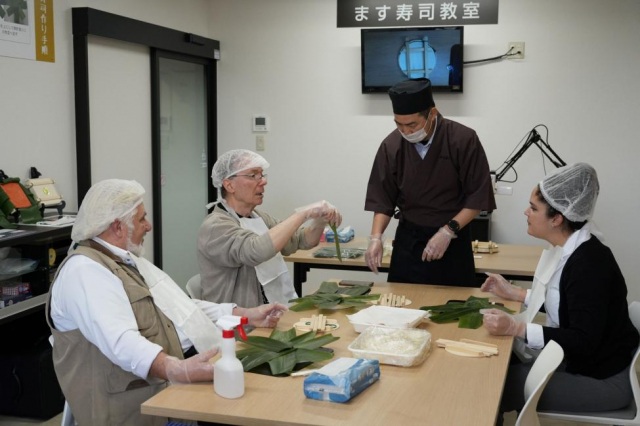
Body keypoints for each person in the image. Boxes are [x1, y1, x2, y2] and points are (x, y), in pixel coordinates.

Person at [46, 179, 287, 426]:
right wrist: (175, 369)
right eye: (141, 219)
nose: (149, 226)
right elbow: (120, 341)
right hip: (140, 407)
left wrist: (245, 315)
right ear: (118, 227)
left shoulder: (125, 260)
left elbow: (180, 306)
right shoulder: (85, 271)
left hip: (171, 387)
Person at [480, 163, 639, 417]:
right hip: (587, 363)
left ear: (557, 218)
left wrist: (516, 328)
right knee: (498, 368)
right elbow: (569, 304)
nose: (525, 212)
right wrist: (516, 294)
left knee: (494, 385)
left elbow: (583, 340)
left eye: (533, 208)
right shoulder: (573, 251)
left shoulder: (589, 264)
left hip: (602, 379)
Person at [364, 78, 496, 286]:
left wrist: (447, 231)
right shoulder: (391, 146)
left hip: (452, 240)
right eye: (399, 124)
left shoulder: (462, 139)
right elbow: (383, 199)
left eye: (412, 125)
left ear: (432, 114)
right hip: (409, 240)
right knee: (402, 305)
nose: (406, 131)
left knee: (453, 308)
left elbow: (478, 197)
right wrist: (375, 238)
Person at [198, 149, 342, 307]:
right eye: (253, 175)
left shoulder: (257, 216)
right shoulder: (215, 226)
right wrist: (304, 213)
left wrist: (320, 221)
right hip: (239, 326)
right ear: (229, 185)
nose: (263, 181)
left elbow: (300, 240)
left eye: (262, 175)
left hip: (273, 311)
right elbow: (255, 251)